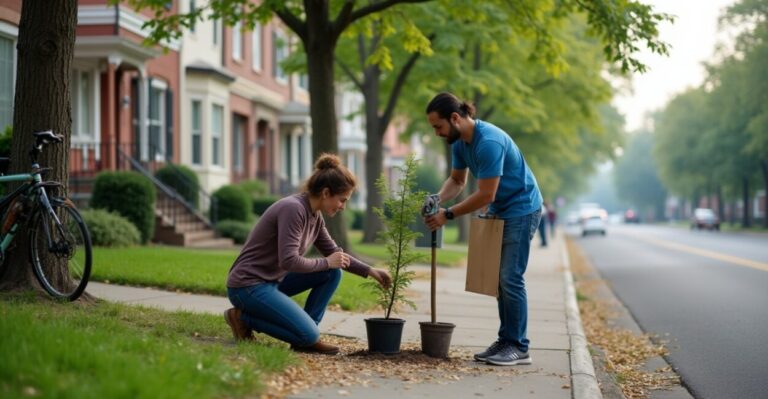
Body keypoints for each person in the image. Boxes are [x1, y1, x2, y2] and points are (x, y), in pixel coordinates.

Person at [225, 154, 392, 355]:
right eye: (342, 200)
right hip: (247, 286)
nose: (343, 206)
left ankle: (304, 336)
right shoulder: (293, 209)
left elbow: (335, 254)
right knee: (326, 279)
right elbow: (288, 260)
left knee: (333, 273)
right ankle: (243, 318)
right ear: (325, 192)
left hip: (271, 282)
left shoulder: (315, 216)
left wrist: (370, 271)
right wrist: (326, 262)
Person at [423, 92, 542, 366]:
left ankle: (519, 346)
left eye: (438, 126)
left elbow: (486, 194)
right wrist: (438, 198)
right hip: (502, 209)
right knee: (499, 280)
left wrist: (448, 214)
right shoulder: (459, 143)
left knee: (510, 277)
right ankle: (506, 340)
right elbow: (457, 180)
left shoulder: (488, 142)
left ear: (455, 118)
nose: (437, 133)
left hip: (523, 208)